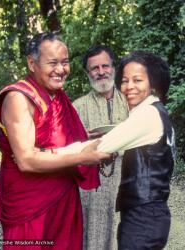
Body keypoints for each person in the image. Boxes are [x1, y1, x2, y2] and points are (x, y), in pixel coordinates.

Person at [0, 32, 110, 250]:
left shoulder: (58, 96)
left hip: (64, 197)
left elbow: (58, 147)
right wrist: (82, 156)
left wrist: (91, 144)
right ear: (31, 62)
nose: (61, 69)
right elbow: (26, 160)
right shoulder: (18, 98)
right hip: (30, 204)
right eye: (52, 62)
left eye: (65, 62)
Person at [64, 50, 175, 249]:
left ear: (152, 83)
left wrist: (51, 154)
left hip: (143, 213)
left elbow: (103, 145)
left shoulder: (147, 113)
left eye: (137, 80)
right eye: (125, 81)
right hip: (140, 209)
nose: (129, 87)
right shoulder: (154, 110)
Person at [73, 45, 128, 250]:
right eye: (94, 68)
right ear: (87, 73)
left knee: (124, 234)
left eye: (105, 65)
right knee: (92, 236)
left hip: (126, 182)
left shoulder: (130, 101)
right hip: (92, 189)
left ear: (114, 68)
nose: (101, 71)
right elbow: (69, 149)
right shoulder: (77, 107)